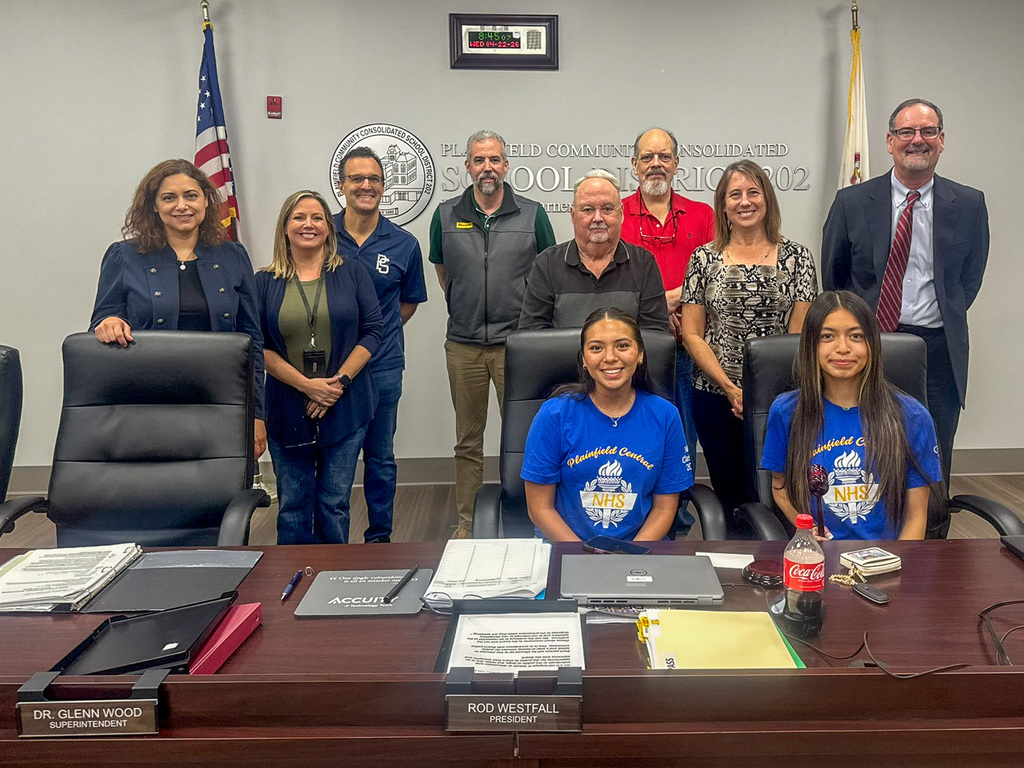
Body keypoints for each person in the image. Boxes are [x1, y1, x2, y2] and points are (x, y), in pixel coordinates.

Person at [822, 98, 988, 494]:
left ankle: (931, 543)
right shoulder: (853, 202)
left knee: (933, 452)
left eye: (927, 132)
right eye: (907, 132)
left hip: (937, 349)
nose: (917, 140)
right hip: (869, 343)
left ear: (942, 140)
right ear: (890, 141)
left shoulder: (968, 203)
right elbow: (834, 279)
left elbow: (969, 280)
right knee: (863, 449)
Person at [90, 158, 266, 458]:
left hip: (220, 399)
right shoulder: (124, 256)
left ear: (206, 202)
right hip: (147, 401)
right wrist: (108, 322)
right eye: (169, 197)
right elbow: (104, 317)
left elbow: (253, 341)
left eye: (191, 195)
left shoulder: (232, 255)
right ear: (154, 206)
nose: (181, 205)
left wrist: (257, 413)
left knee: (218, 492)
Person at [429, 129, 556, 539]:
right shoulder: (445, 215)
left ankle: (527, 516)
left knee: (522, 437)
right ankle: (468, 522)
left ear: (506, 166)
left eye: (495, 160)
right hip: (463, 345)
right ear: (467, 166)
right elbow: (445, 275)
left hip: (515, 347)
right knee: (467, 440)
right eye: (479, 160)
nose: (488, 168)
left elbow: (546, 274)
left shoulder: (532, 214)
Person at [681, 159, 817, 517]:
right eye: (734, 194)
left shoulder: (798, 258)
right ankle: (733, 565)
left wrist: (770, 395)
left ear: (767, 199)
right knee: (729, 495)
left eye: (753, 192)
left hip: (781, 398)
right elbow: (692, 333)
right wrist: (729, 387)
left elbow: (798, 337)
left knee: (780, 489)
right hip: (715, 396)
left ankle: (782, 562)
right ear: (723, 205)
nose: (745, 201)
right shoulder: (702, 258)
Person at [761, 291, 941, 540]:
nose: (843, 348)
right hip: (818, 560)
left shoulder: (911, 416)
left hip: (886, 561)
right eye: (827, 336)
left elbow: (916, 516)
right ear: (810, 344)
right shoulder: (786, 411)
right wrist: (805, 528)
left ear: (872, 344)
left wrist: (898, 567)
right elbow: (779, 488)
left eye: (856, 336)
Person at [256, 190, 382, 544]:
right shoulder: (263, 282)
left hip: (347, 405)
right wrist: (307, 386)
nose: (308, 225)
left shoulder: (353, 273)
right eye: (298, 217)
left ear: (329, 228)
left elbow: (374, 332)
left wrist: (336, 384)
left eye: (316, 218)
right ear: (284, 227)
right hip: (286, 407)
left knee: (334, 504)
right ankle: (292, 586)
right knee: (293, 506)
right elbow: (257, 344)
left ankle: (333, 578)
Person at [521, 307, 693, 542]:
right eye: (596, 348)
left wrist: (628, 557)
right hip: (567, 550)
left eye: (622, 346)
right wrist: (586, 557)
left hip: (639, 552)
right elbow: (540, 509)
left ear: (640, 353)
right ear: (584, 359)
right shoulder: (554, 415)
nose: (610, 357)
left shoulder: (665, 415)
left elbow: (664, 508)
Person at [620, 127, 716, 536]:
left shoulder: (703, 215)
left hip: (690, 344)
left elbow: (715, 273)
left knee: (683, 434)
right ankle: (635, 511)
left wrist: (679, 305)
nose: (655, 164)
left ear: (677, 164)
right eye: (647, 157)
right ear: (634, 166)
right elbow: (614, 280)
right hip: (636, 349)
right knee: (637, 429)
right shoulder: (616, 212)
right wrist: (665, 304)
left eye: (664, 156)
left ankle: (676, 519)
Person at [333, 146, 428, 543]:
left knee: (381, 459)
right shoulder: (322, 234)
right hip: (331, 370)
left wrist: (374, 334)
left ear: (384, 187)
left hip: (384, 365)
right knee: (334, 460)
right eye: (357, 179)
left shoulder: (403, 243)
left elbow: (407, 303)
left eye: (373, 179)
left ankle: (379, 540)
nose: (366, 186)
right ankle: (331, 544)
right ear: (342, 186)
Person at [519, 169, 670, 332]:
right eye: (588, 209)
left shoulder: (643, 263)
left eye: (607, 209)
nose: (598, 218)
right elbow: (532, 335)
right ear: (572, 215)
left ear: (621, 214)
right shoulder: (547, 264)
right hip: (563, 359)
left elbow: (655, 334)